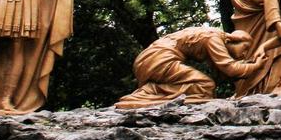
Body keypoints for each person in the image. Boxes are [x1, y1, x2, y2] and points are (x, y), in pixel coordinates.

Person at [114, 28, 265, 109]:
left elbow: (222, 75)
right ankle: (146, 97)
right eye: (245, 48)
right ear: (233, 40)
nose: (244, 53)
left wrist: (248, 64)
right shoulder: (214, 38)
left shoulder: (215, 39)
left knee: (202, 85)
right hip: (159, 58)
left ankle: (150, 92)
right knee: (205, 85)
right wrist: (257, 66)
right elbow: (229, 68)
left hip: (150, 58)